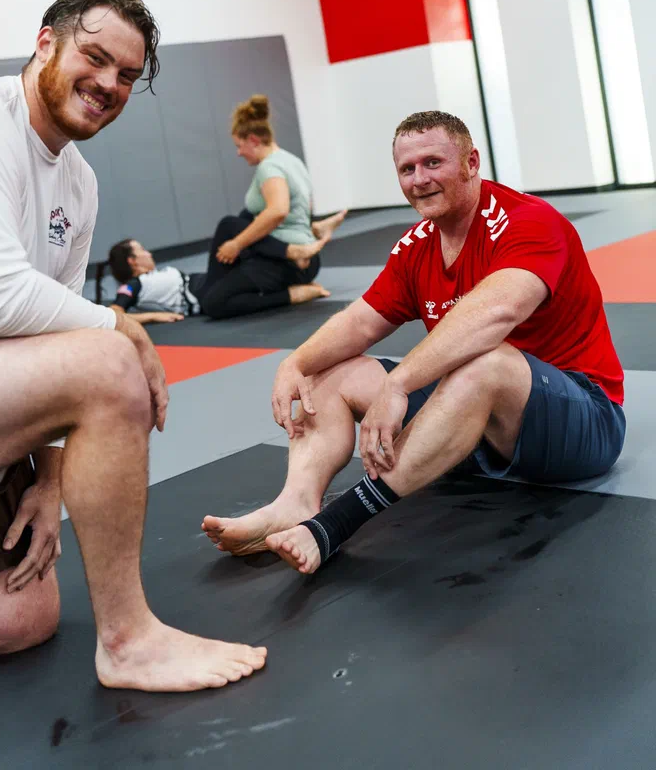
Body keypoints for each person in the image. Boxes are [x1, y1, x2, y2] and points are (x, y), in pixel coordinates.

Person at [0, 0, 266, 691]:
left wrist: (50, 479)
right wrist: (124, 327)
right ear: (47, 41)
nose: (108, 83)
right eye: (95, 56)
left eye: (127, 76)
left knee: (16, 618)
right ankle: (130, 643)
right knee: (109, 363)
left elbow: (42, 333)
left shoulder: (78, 185)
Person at [202, 110, 625, 575]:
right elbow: (361, 323)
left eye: (433, 163)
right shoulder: (417, 244)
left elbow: (495, 313)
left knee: (487, 361)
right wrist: (296, 364)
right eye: (407, 169)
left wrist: (398, 385)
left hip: (581, 421)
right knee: (333, 371)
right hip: (474, 425)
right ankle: (296, 502)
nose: (419, 179)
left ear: (470, 162)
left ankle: (334, 525)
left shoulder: (529, 221)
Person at [194, 94, 346, 321]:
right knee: (242, 218)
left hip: (285, 264)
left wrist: (237, 244)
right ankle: (313, 229)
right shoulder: (291, 160)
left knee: (214, 303)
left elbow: (278, 211)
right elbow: (304, 206)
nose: (238, 152)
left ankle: (294, 293)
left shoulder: (269, 167)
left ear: (253, 140)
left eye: (239, 146)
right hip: (308, 263)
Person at [97, 209, 345, 324]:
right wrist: (154, 316)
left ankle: (304, 233)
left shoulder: (154, 276)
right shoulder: (134, 285)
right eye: (142, 250)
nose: (148, 252)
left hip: (214, 280)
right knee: (229, 226)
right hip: (206, 293)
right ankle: (298, 254)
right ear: (133, 261)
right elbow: (116, 313)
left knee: (244, 221)